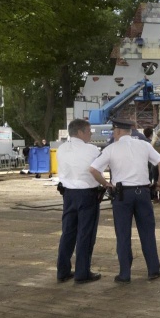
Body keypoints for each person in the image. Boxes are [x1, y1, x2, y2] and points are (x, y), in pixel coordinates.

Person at [89, 118, 160, 283]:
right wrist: (158, 184)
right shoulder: (144, 145)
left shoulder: (111, 149)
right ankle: (153, 269)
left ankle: (125, 274)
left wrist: (106, 184)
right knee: (147, 233)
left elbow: (93, 169)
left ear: (117, 131)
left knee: (123, 234)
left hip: (122, 195)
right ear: (129, 131)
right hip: (144, 193)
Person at [55, 119, 102, 284]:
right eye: (89, 131)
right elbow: (98, 171)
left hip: (68, 195)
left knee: (68, 233)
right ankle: (82, 272)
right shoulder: (92, 150)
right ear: (81, 132)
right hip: (87, 195)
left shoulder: (61, 148)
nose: (90, 134)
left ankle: (63, 271)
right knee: (85, 234)